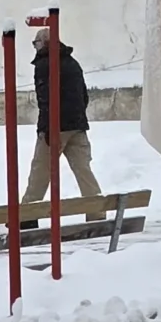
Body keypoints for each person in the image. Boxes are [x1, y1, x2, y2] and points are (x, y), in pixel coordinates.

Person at [20, 25, 103, 213]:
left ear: (46, 43)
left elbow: (45, 98)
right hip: (77, 126)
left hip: (55, 127)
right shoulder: (72, 62)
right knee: (84, 172)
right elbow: (84, 95)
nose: (35, 47)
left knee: (40, 173)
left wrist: (48, 127)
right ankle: (97, 212)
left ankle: (26, 215)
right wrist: (77, 116)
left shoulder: (44, 64)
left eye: (36, 42)